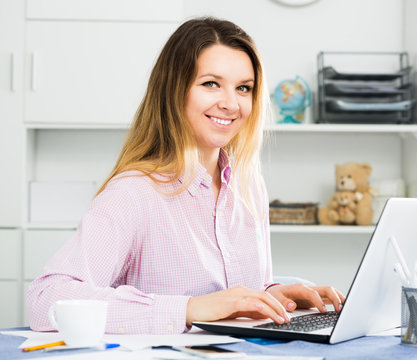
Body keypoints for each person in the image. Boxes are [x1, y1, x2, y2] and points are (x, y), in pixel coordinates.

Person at [27, 17, 345, 335]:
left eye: (243, 88)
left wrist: (271, 294)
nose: (231, 104)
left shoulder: (248, 187)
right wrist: (188, 308)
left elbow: (229, 297)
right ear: (174, 90)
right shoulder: (134, 192)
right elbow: (45, 300)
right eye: (211, 83)